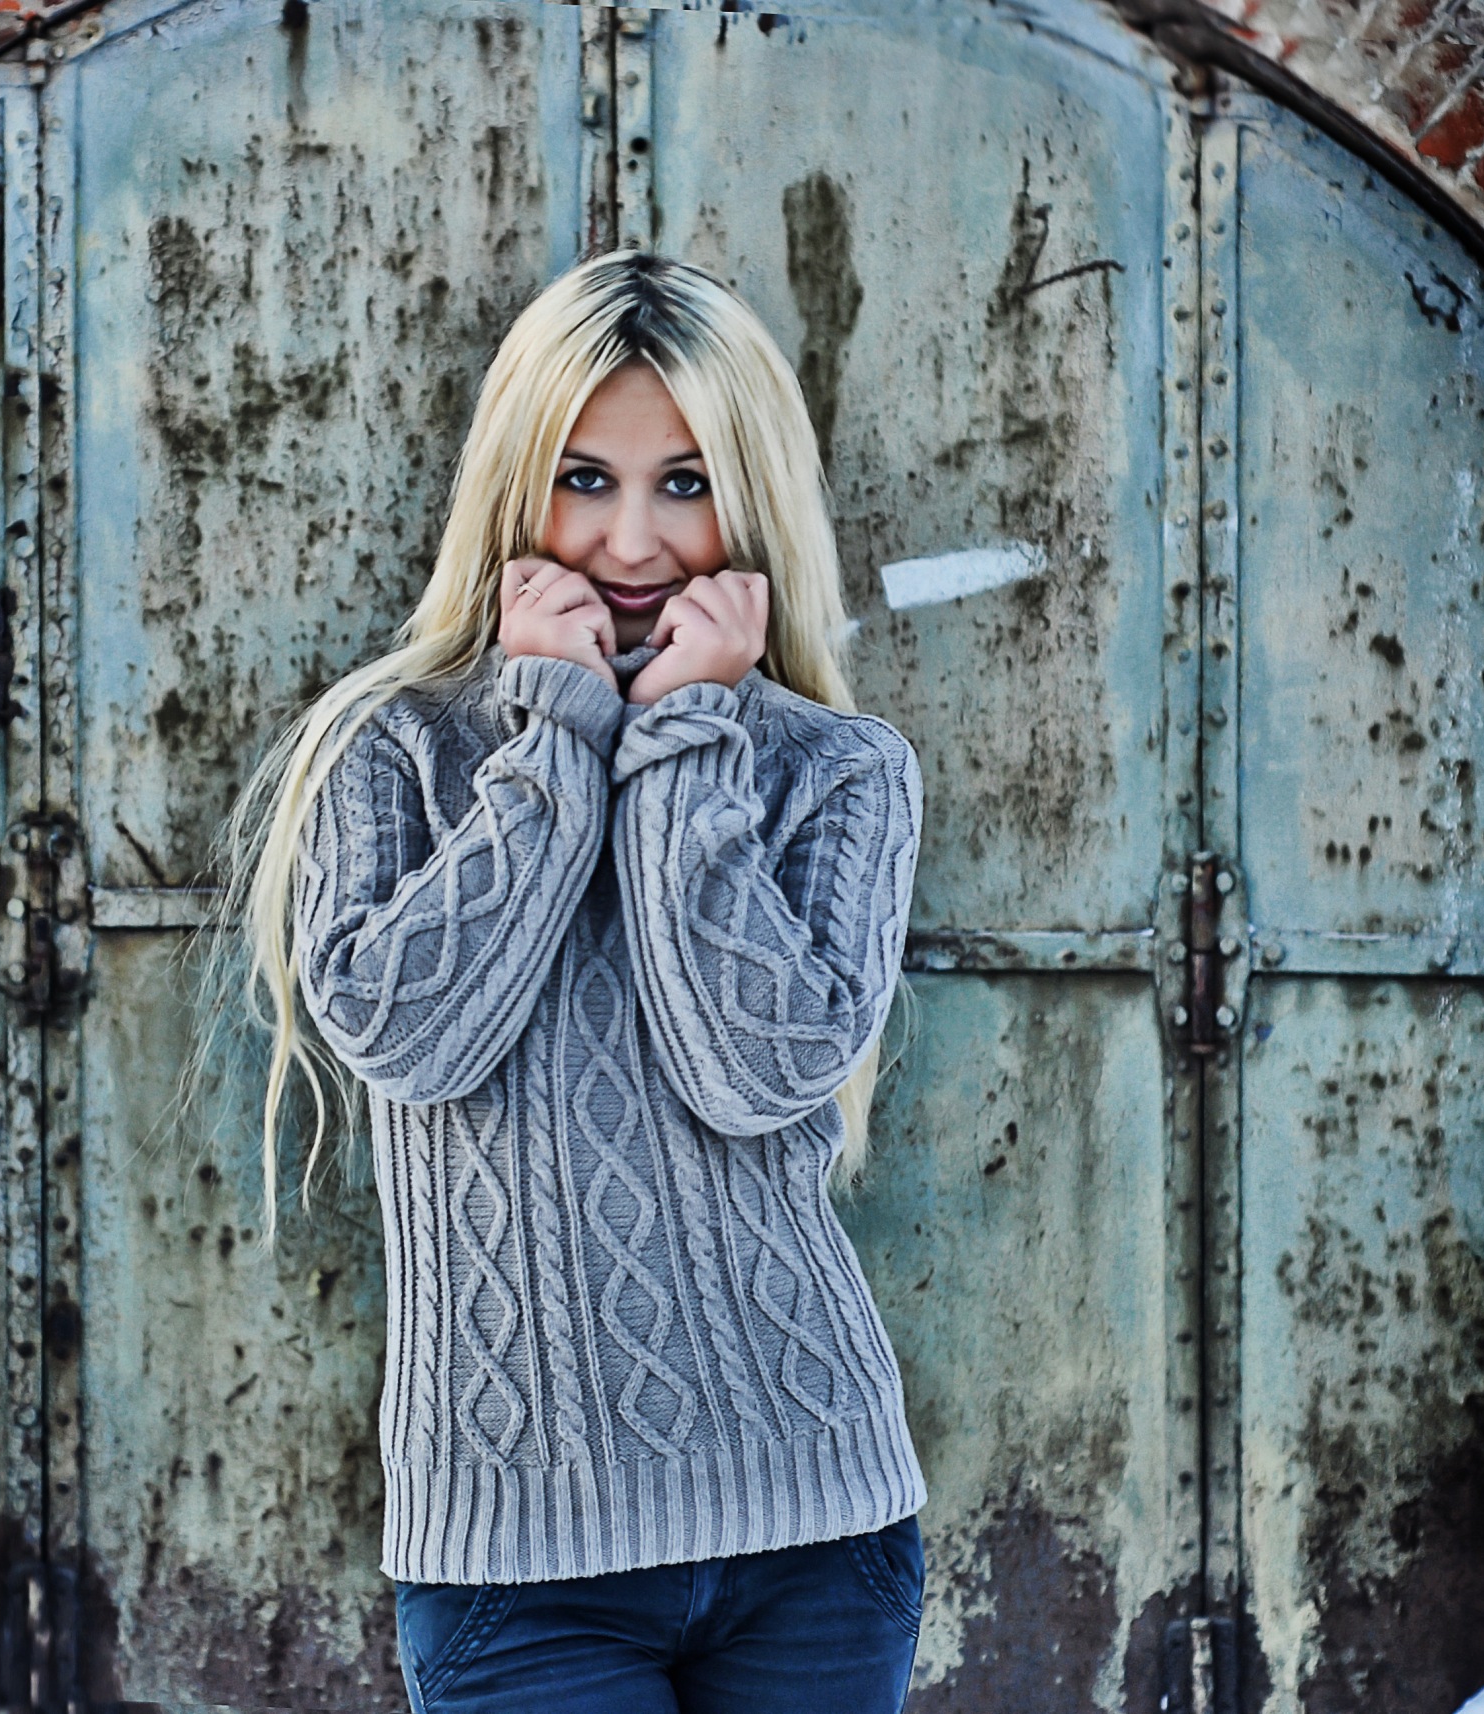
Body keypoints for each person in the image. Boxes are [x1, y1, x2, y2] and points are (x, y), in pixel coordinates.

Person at [232, 250, 926, 1713]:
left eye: (687, 483)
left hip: (812, 1523)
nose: (631, 539)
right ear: (513, 484)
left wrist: (683, 739)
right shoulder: (390, 748)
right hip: (516, 1557)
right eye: (584, 478)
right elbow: (415, 1042)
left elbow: (755, 1071)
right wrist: (553, 735)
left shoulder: (840, 768)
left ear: (752, 497)